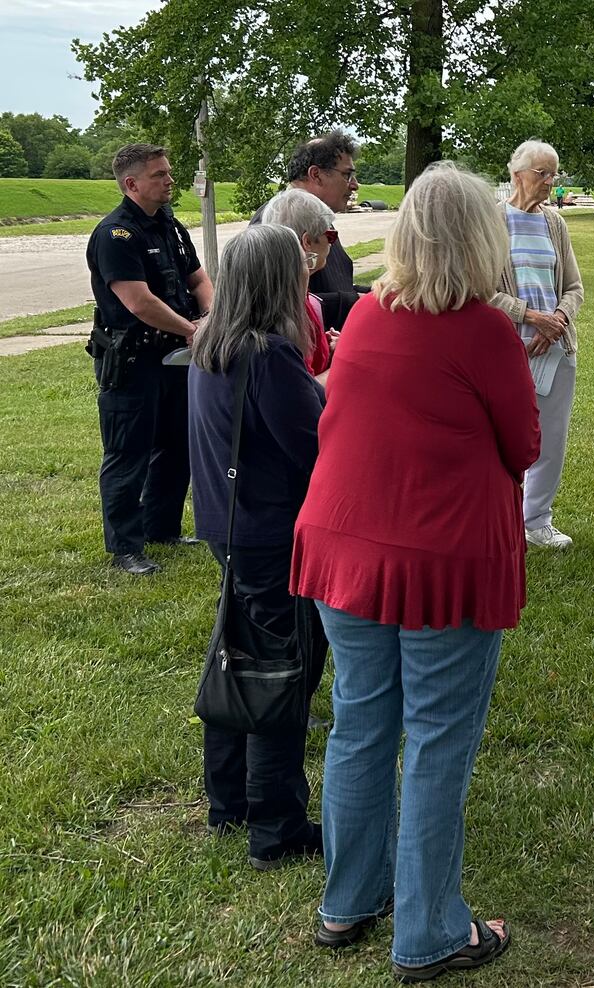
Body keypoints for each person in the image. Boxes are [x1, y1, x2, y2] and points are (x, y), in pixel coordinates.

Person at [289, 162, 538, 980]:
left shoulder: (364, 315)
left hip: (345, 548)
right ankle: (430, 930)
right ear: (480, 238)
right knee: (436, 739)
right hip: (440, 562)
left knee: (360, 725)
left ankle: (348, 902)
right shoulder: (484, 330)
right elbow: (524, 446)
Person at [188, 223, 329, 871]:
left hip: (227, 526)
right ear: (280, 281)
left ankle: (229, 801)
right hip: (274, 536)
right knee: (280, 676)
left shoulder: (210, 345)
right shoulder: (269, 355)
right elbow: (317, 446)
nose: (308, 275)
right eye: (298, 268)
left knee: (236, 658)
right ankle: (276, 825)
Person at [85, 142, 215, 575]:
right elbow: (138, 301)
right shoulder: (115, 234)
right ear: (131, 183)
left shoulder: (171, 226)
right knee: (129, 451)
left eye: (169, 172)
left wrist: (212, 315)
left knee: (177, 445)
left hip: (176, 356)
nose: (169, 180)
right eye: (159, 174)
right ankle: (126, 547)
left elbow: (198, 277)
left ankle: (162, 528)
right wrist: (194, 329)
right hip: (134, 359)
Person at [495, 139, 585, 549]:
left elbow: (574, 286)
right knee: (499, 437)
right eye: (542, 173)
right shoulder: (493, 221)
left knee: (550, 437)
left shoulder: (554, 223)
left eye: (554, 174)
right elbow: (481, 290)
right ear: (517, 174)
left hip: (555, 347)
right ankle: (498, 518)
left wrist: (557, 321)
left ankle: (536, 521)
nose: (550, 182)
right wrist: (529, 316)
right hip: (507, 346)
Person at [252, 132, 366, 329]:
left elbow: (333, 284)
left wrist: (376, 293)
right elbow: (274, 301)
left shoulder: (315, 216)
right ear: (316, 175)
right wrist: (356, 301)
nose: (355, 185)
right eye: (347, 175)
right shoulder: (276, 221)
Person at [259, 188, 340, 379]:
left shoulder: (284, 294)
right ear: (307, 242)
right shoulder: (287, 311)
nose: (331, 243)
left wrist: (325, 345)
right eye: (330, 235)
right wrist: (347, 358)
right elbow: (307, 389)